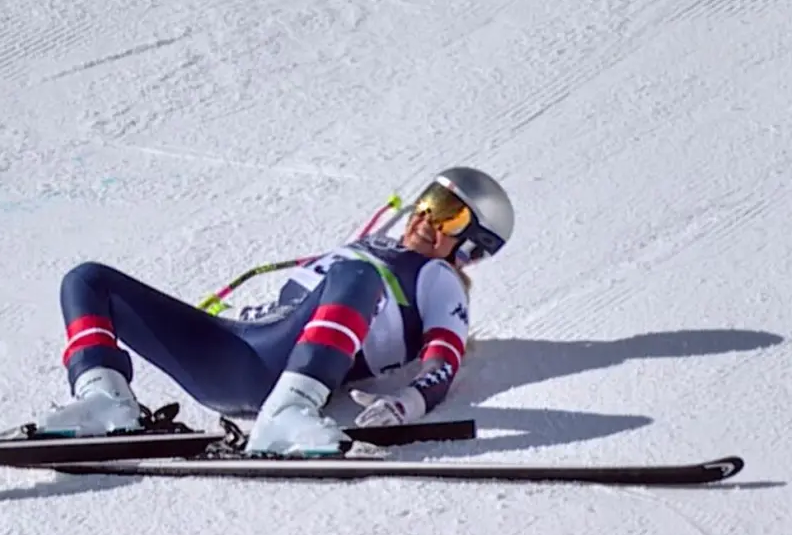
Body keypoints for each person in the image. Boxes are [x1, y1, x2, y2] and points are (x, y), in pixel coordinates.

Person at [33, 166, 515, 455]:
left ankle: (291, 409)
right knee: (87, 279)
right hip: (229, 349)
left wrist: (407, 404)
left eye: (450, 214)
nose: (427, 218)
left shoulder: (438, 280)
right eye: (430, 201)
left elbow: (445, 360)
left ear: (471, 245)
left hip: (282, 369)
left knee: (360, 276)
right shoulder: (372, 246)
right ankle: (106, 401)